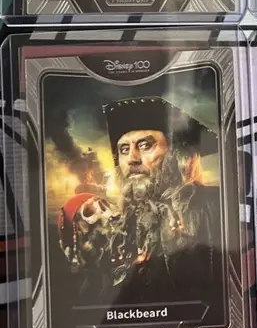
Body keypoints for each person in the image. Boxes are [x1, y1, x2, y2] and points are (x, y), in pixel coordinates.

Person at [57, 97, 222, 306]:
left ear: (179, 156)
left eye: (145, 145)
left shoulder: (213, 205)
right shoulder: (127, 223)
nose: (132, 159)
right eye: (124, 150)